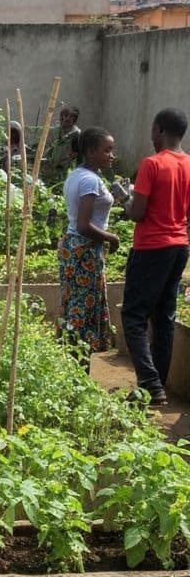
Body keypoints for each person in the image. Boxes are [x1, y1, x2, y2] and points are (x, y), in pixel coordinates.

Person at [120, 108, 190, 407]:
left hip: (151, 247)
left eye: (152, 129)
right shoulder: (188, 164)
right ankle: (155, 387)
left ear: (159, 129)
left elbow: (137, 212)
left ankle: (149, 384)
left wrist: (124, 199)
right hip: (179, 246)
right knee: (164, 317)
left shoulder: (152, 164)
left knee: (134, 316)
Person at [57, 128, 120, 362]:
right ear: (91, 152)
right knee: (82, 309)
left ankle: (72, 367)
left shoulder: (76, 175)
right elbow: (84, 225)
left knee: (74, 304)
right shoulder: (90, 181)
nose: (112, 155)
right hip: (83, 249)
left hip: (74, 247)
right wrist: (111, 237)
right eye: (107, 150)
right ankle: (79, 367)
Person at [44, 106, 81, 186]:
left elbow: (75, 154)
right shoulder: (57, 130)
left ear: (73, 120)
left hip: (67, 167)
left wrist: (62, 162)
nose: (63, 119)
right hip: (54, 165)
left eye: (67, 117)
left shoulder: (76, 134)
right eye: (62, 116)